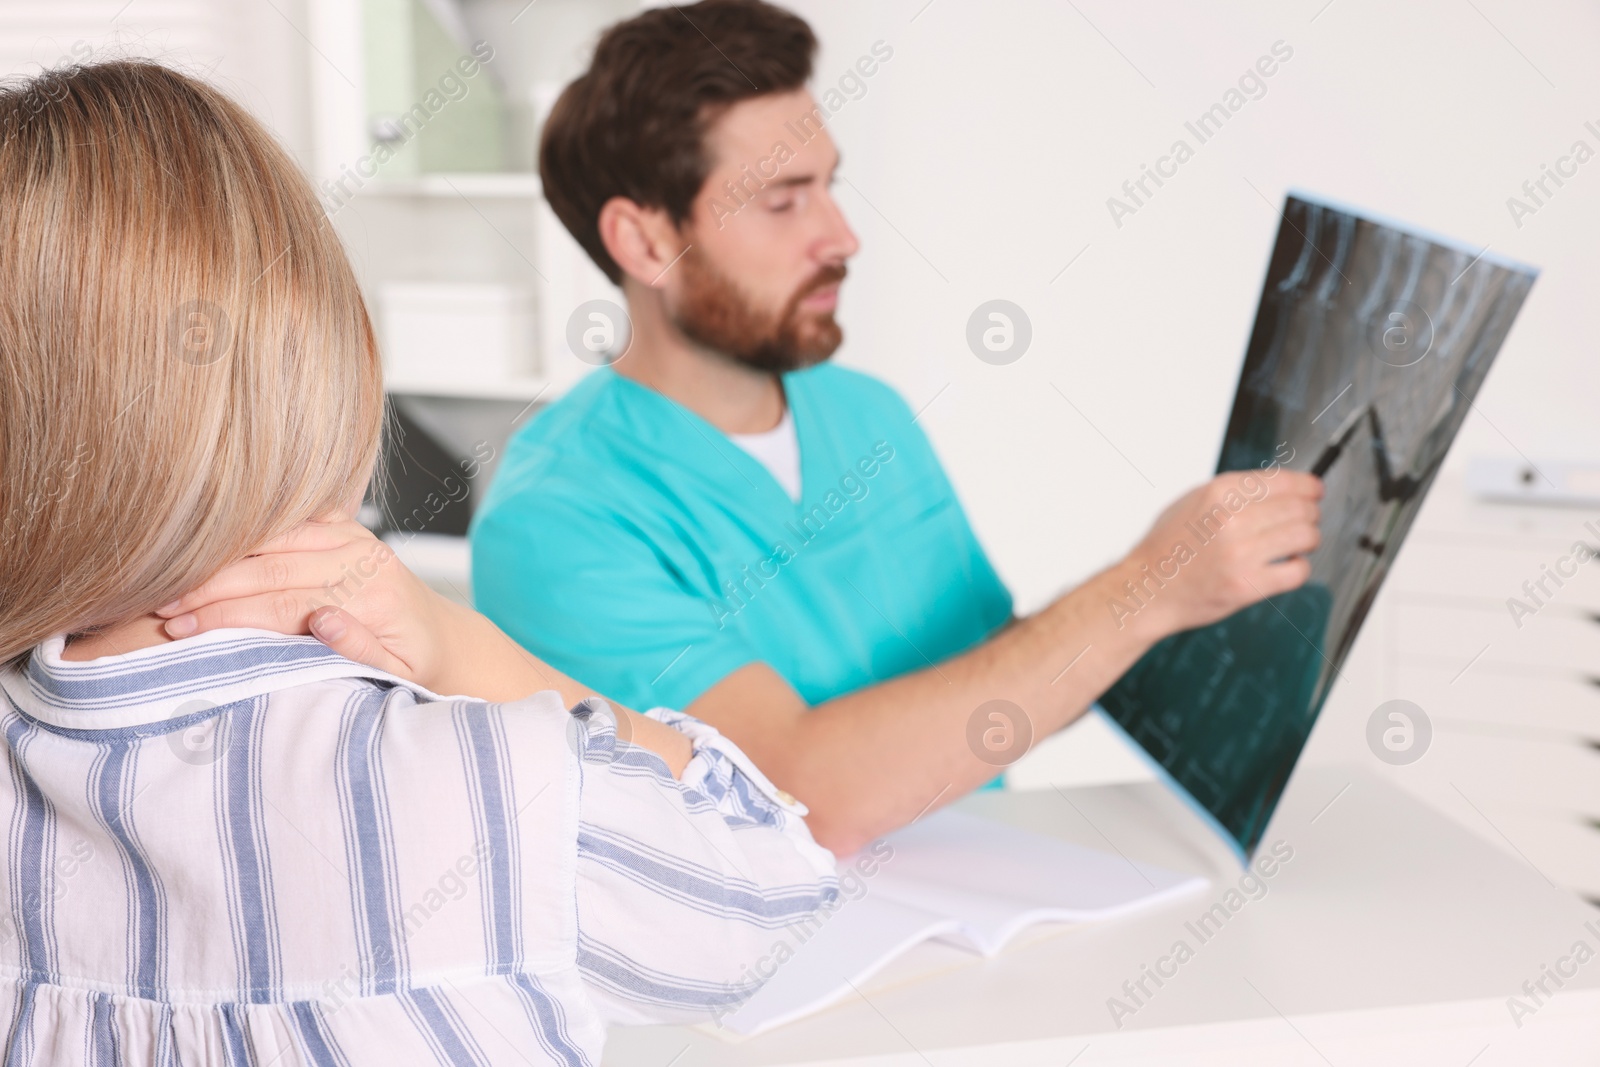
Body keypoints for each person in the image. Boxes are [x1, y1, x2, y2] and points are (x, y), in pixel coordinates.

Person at [0, 60, 836, 1063]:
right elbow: (774, 896)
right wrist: (462, 648)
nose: (835, 234)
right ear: (325, 364)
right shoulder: (485, 779)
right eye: (785, 195)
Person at [458, 0, 1324, 854]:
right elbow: (800, 796)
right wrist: (1144, 590)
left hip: (987, 905)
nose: (842, 238)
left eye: (828, 187)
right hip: (766, 979)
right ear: (647, 245)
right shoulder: (554, 521)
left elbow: (990, 687)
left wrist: (1206, 588)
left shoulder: (863, 413)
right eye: (784, 201)